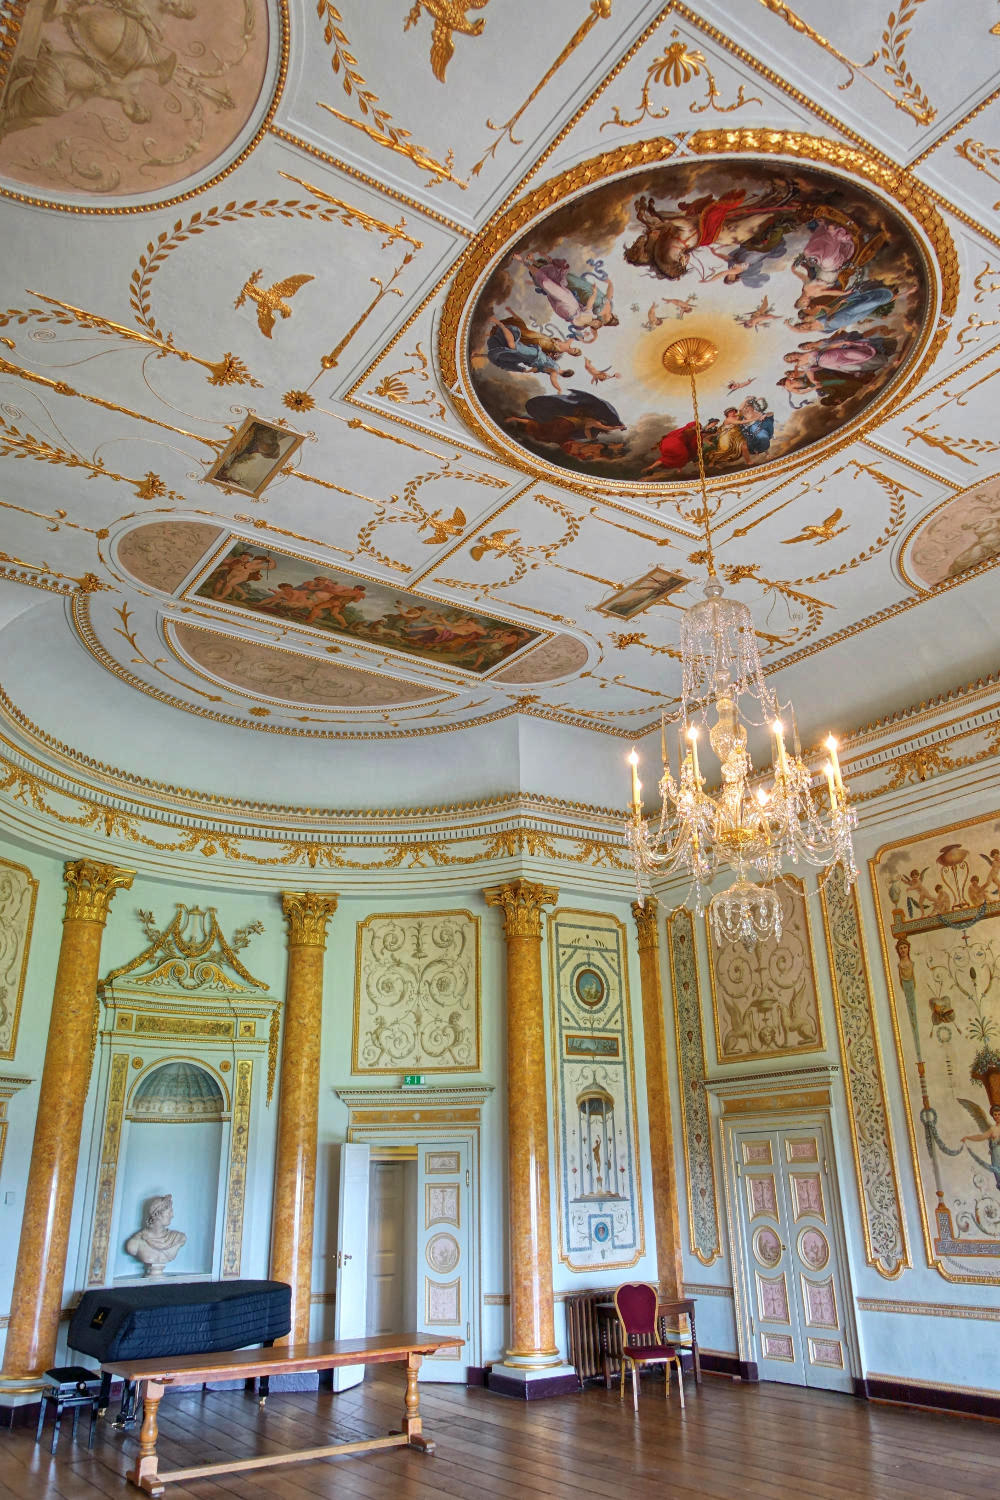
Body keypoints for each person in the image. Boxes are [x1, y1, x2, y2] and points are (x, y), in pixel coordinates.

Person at [125, 1194, 186, 1276]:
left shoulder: (178, 1238)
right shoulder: (135, 1243)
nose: (172, 1215)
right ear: (157, 1214)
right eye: (169, 1212)